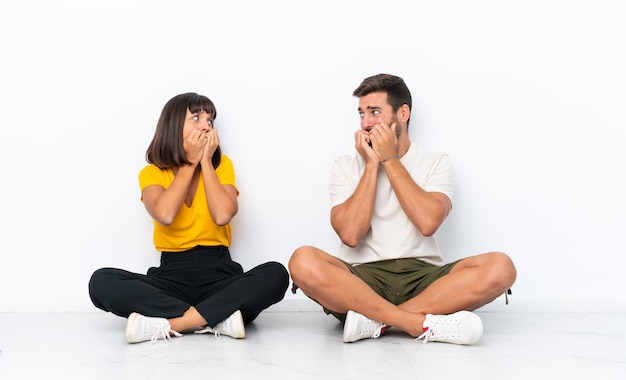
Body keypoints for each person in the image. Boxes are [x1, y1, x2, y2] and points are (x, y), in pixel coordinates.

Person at [288, 74, 516, 345]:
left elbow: (428, 222)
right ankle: (416, 323)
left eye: (375, 112)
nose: (365, 123)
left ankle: (376, 321)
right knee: (302, 260)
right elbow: (350, 235)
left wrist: (389, 159)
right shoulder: (345, 165)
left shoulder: (436, 161)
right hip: (361, 281)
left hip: (425, 278)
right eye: (361, 114)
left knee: (501, 267)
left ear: (403, 113)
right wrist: (372, 166)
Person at [89, 92, 289, 344]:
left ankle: (174, 323)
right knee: (101, 281)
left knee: (276, 274)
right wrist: (189, 164)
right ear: (173, 126)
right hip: (171, 277)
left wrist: (205, 161)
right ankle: (217, 316)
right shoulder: (152, 173)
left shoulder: (221, 166)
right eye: (196, 118)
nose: (206, 125)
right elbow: (164, 214)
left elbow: (223, 215)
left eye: (210, 120)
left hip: (220, 275)